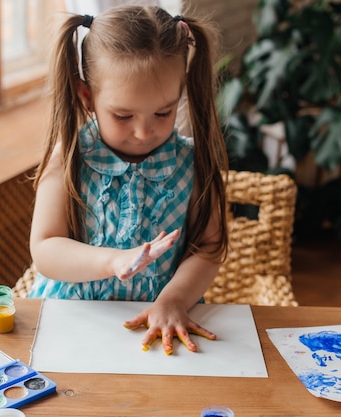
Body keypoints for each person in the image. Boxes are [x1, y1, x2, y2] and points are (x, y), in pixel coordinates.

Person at [28, 5, 228, 356]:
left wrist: (173, 299)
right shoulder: (68, 158)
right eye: (123, 115)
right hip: (68, 326)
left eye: (163, 112)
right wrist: (112, 261)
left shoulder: (195, 163)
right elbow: (45, 250)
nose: (143, 131)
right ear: (87, 96)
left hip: (159, 328)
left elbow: (208, 250)